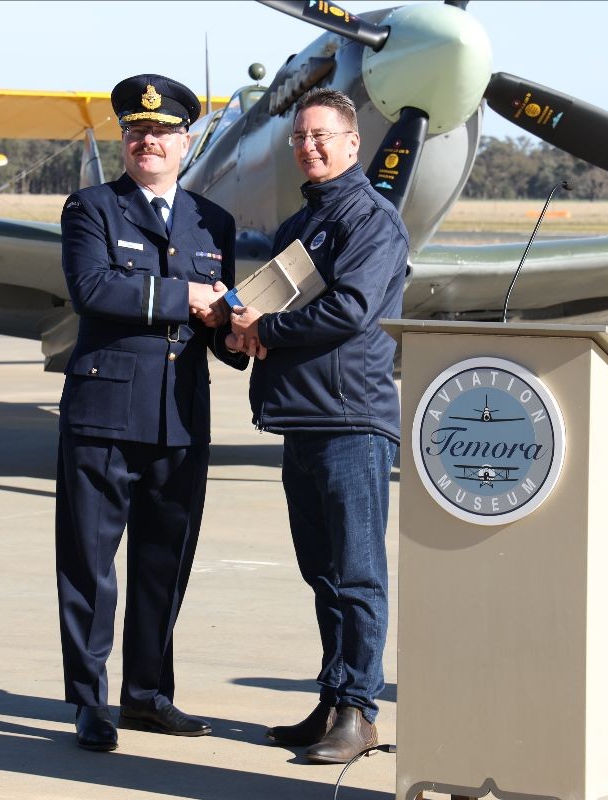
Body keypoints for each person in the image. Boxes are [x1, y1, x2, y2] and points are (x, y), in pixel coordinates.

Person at [56, 73, 247, 752]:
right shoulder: (91, 209)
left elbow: (218, 313)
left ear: (185, 143)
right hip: (105, 413)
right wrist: (185, 298)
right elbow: (93, 288)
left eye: (162, 132)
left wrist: (241, 333)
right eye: (137, 132)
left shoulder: (212, 222)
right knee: (90, 565)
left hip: (180, 416)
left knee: (165, 562)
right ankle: (89, 702)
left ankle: (146, 695)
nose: (148, 142)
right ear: (126, 141)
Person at [228, 88, 408, 764]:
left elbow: (352, 312)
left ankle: (359, 711)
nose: (309, 146)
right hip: (303, 417)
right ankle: (333, 699)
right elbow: (273, 309)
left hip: (350, 421)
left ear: (353, 143)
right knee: (323, 572)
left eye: (322, 135)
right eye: (300, 137)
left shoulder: (372, 220)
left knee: (357, 572)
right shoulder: (302, 227)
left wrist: (264, 328)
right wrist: (235, 329)